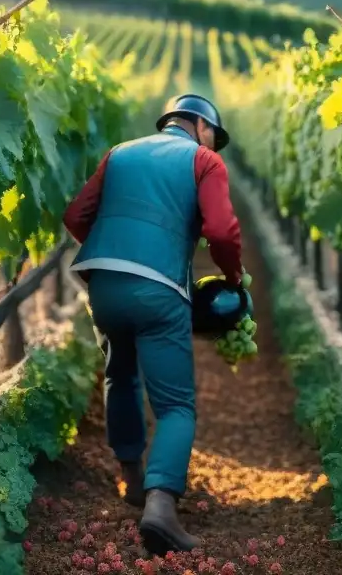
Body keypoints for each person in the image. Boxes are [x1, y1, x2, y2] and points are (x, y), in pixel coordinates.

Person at [62, 93, 244, 555]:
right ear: (201, 127)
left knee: (119, 375)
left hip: (102, 284)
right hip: (158, 290)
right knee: (177, 406)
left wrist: (118, 253)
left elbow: (76, 215)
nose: (214, 145)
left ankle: (131, 481)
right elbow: (222, 231)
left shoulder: (119, 153)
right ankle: (161, 509)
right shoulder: (204, 162)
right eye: (214, 137)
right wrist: (231, 277)